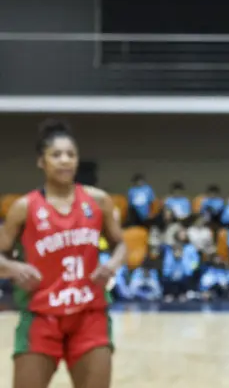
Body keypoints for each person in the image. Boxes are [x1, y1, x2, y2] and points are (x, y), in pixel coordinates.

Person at [0, 120, 126, 388]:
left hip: (90, 314)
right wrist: (12, 268)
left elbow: (121, 244)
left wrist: (112, 265)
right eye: (56, 155)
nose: (65, 160)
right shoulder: (24, 207)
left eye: (71, 154)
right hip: (41, 316)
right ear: (41, 162)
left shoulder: (98, 201)